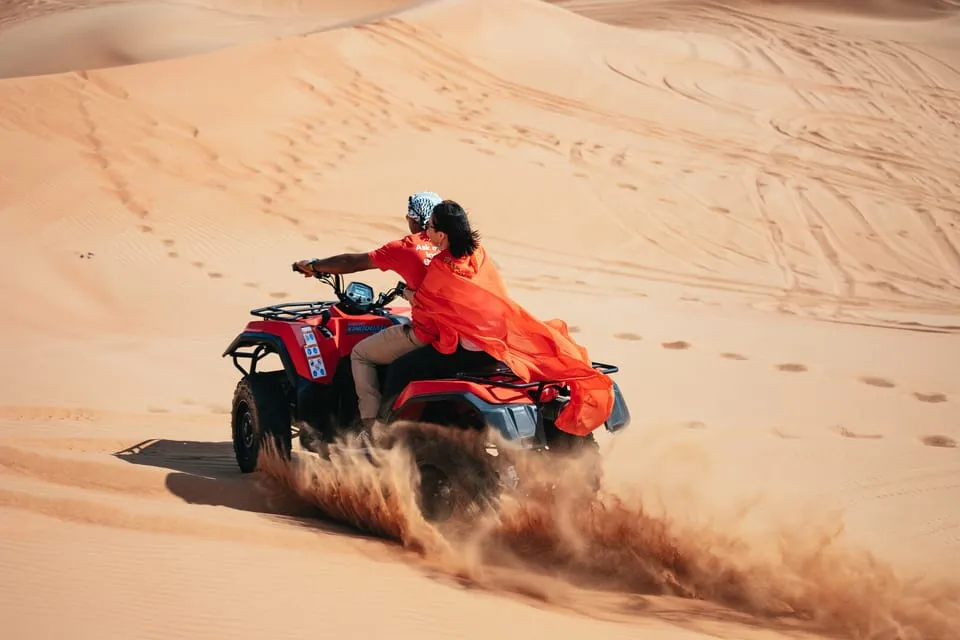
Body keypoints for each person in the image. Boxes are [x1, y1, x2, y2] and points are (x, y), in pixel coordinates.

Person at [381, 200, 615, 436]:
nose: (426, 231)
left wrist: (407, 293)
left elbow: (426, 303)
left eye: (430, 227)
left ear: (441, 235)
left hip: (470, 352)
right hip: (497, 343)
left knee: (401, 368)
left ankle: (382, 430)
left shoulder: (442, 266)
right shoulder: (478, 253)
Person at [292, 191, 443, 429]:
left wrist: (313, 266)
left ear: (414, 219)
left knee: (361, 354)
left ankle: (370, 427)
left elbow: (353, 262)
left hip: (430, 333)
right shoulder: (456, 248)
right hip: (463, 332)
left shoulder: (408, 247)